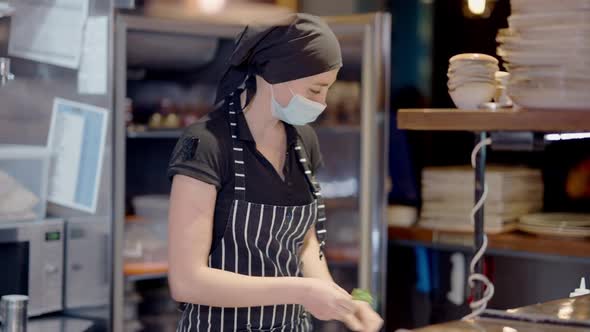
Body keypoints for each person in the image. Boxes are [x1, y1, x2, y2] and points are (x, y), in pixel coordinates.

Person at [167, 13, 384, 332]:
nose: (322, 104)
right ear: (276, 74)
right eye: (314, 91)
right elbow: (187, 281)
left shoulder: (303, 141)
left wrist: (344, 306)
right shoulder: (207, 144)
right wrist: (302, 291)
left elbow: (304, 242)